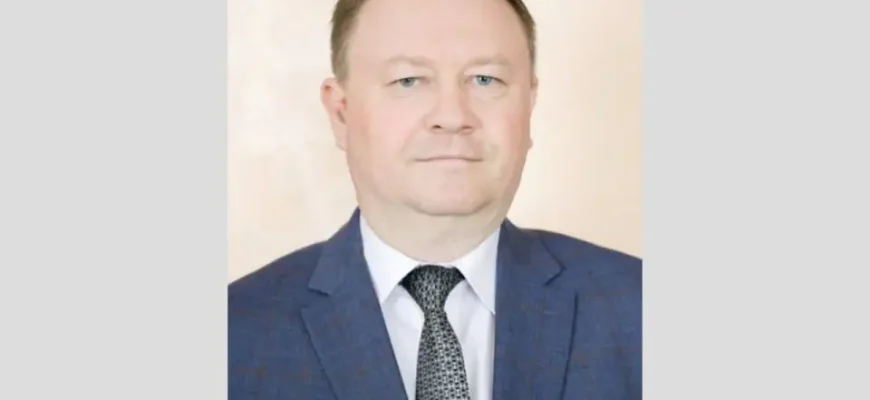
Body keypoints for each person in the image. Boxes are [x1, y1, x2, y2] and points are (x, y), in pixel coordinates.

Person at [228, 0, 641, 398]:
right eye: (408, 81)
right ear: (341, 112)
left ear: (529, 105)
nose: (453, 116)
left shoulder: (641, 309)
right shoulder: (234, 333)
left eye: (485, 79)